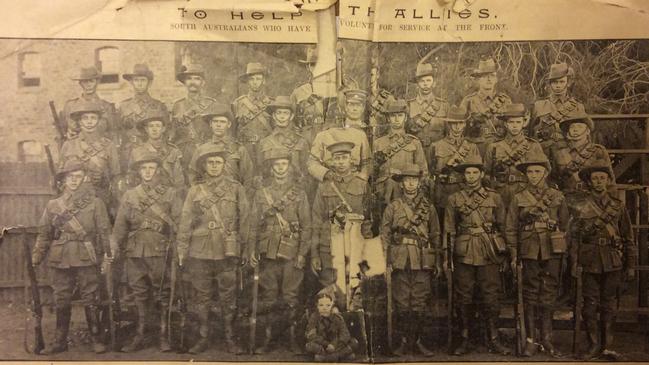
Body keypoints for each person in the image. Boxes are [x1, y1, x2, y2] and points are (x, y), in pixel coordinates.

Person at [176, 144, 250, 354]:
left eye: (218, 162)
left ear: (224, 165)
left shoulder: (236, 188)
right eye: (210, 163)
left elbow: (245, 220)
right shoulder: (195, 191)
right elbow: (185, 221)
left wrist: (244, 248)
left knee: (229, 297)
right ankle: (203, 337)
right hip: (199, 252)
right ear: (204, 166)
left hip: (227, 251)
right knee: (202, 297)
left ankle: (230, 338)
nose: (215, 166)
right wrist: (182, 249)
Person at [31, 159, 111, 354]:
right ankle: (60, 341)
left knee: (90, 297)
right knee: (61, 299)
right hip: (59, 258)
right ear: (63, 181)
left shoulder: (95, 203)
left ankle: (95, 338)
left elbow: (104, 232)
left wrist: (107, 257)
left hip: (86, 255)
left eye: (78, 177)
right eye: (70, 177)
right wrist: (36, 257)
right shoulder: (53, 205)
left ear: (84, 179)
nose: (74, 181)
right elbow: (44, 234)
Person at [109, 149, 183, 352]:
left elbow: (179, 223)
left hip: (161, 251)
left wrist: (178, 246)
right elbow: (120, 227)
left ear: (158, 170)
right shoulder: (130, 195)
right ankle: (140, 335)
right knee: (139, 294)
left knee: (162, 294)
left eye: (152, 168)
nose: (148, 172)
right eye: (144, 168)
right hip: (135, 252)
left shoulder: (170, 194)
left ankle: (163, 335)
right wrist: (114, 247)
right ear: (139, 172)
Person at [444, 154, 511, 356]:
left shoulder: (495, 197)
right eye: (467, 172)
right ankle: (465, 338)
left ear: (482, 174)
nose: (471, 176)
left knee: (491, 295)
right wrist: (447, 257)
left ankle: (493, 338)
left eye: (475, 172)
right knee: (464, 295)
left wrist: (507, 254)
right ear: (463, 175)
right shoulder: (454, 198)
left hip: (489, 251)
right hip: (463, 252)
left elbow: (504, 227)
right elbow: (449, 230)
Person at [569, 163, 637, 360]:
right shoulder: (580, 205)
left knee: (609, 304)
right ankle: (593, 345)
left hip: (612, 260)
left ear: (608, 181)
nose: (599, 181)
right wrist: (574, 262)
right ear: (589, 182)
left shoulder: (618, 206)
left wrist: (630, 265)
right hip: (588, 261)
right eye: (595, 178)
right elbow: (574, 238)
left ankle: (607, 346)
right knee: (589, 305)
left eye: (602, 178)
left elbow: (628, 238)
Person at [505, 154, 569, 357]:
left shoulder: (557, 197)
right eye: (530, 172)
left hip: (552, 249)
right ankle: (531, 339)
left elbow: (566, 226)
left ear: (546, 173)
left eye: (537, 171)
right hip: (529, 250)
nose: (533, 175)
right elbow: (510, 228)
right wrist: (514, 255)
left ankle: (547, 339)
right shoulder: (518, 198)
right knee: (530, 294)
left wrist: (564, 251)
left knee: (549, 294)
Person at [248, 148, 312, 354]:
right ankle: (268, 339)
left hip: (291, 253)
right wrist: (251, 250)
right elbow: (253, 225)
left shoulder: (299, 194)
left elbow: (307, 226)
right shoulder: (261, 194)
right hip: (267, 253)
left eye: (284, 164)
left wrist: (302, 253)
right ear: (271, 168)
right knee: (269, 298)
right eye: (276, 165)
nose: (280, 168)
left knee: (291, 298)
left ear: (289, 167)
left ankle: (292, 340)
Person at [380, 164, 440, 356]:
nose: (410, 183)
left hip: (422, 259)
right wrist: (385, 261)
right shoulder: (393, 207)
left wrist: (437, 260)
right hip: (400, 260)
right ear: (402, 183)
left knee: (419, 302)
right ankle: (405, 341)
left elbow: (435, 234)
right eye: (407, 180)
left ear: (419, 182)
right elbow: (385, 235)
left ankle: (418, 341)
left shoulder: (428, 207)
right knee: (402, 302)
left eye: (414, 180)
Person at [311, 141, 372, 311]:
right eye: (336, 159)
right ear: (331, 162)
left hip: (355, 245)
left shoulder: (362, 185)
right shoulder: (324, 187)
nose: (340, 162)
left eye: (344, 158)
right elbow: (316, 221)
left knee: (355, 290)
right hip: (329, 247)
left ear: (351, 160)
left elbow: (368, 219)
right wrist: (315, 253)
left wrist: (367, 250)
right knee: (330, 290)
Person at [59, 100, 121, 212]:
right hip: (74, 200)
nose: (89, 122)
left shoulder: (108, 146)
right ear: (79, 121)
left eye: (93, 118)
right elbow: (61, 175)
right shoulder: (68, 145)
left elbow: (115, 176)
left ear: (98, 121)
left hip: (100, 197)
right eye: (85, 118)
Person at [484, 103, 546, 206]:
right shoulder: (494, 147)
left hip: (525, 192)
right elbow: (486, 174)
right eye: (511, 122)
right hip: (500, 192)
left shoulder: (533, 146)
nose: (515, 125)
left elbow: (543, 173)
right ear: (505, 124)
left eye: (518, 122)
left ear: (524, 123)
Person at [429, 106, 481, 229]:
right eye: (454, 123)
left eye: (461, 123)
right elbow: (430, 174)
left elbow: (478, 173)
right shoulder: (436, 146)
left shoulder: (471, 147)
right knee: (444, 229)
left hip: (466, 192)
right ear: (449, 125)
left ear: (465, 125)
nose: (457, 127)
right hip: (444, 193)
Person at [307, 91, 372, 183]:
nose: (336, 117)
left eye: (358, 105)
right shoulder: (322, 135)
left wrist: (361, 178)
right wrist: (325, 173)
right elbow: (312, 163)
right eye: (332, 113)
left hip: (354, 180)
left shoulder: (360, 135)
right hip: (330, 181)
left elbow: (367, 162)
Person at [373, 99, 428, 206]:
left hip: (407, 192)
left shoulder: (414, 142)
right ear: (388, 119)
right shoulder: (378, 143)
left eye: (400, 115)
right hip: (384, 193)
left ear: (406, 118)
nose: (397, 119)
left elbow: (423, 171)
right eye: (393, 116)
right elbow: (372, 173)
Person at [549, 112, 613, 199]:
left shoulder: (598, 151)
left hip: (592, 199)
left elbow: (610, 181)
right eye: (572, 127)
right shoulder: (559, 153)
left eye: (579, 126)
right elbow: (553, 180)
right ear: (568, 132)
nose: (575, 129)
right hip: (567, 200)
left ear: (587, 131)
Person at [188, 104, 254, 188]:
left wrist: (240, 196)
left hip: (233, 197)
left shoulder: (239, 149)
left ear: (229, 124)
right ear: (210, 124)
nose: (218, 125)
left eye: (222, 122)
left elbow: (248, 178)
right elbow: (193, 176)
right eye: (215, 121)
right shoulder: (201, 149)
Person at [117, 64, 169, 171]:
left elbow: (166, 132)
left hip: (152, 151)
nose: (139, 84)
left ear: (149, 83)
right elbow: (116, 131)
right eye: (136, 80)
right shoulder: (123, 106)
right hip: (130, 151)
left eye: (143, 80)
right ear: (131, 82)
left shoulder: (159, 106)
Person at [459, 57, 512, 156]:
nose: (488, 79)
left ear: (496, 79)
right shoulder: (468, 101)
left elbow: (513, 127)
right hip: (476, 150)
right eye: (484, 76)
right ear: (478, 80)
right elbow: (459, 129)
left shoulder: (505, 100)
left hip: (500, 150)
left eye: (492, 76)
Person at [531, 62, 586, 155]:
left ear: (568, 83)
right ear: (550, 84)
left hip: (568, 154)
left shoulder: (577, 106)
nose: (558, 85)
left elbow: (585, 135)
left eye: (562, 82)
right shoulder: (538, 105)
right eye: (555, 82)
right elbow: (530, 133)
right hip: (544, 154)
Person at [171, 63, 216, 172]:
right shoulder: (177, 105)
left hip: (206, 151)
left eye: (197, 79)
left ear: (203, 83)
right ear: (185, 82)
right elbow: (172, 134)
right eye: (189, 79)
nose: (192, 82)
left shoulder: (211, 104)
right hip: (184, 153)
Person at [129, 110, 185, 193]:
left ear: (163, 129)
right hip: (144, 198)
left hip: (168, 196)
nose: (154, 129)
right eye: (151, 126)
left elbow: (179, 181)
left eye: (158, 126)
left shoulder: (173, 151)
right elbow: (132, 179)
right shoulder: (136, 152)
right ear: (146, 129)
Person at [258, 96, 310, 180]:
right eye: (279, 113)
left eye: (286, 113)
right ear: (274, 116)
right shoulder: (264, 142)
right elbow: (260, 172)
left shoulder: (301, 142)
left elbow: (306, 173)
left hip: (295, 189)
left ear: (292, 116)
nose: (282, 117)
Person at [233, 62, 274, 167]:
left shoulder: (272, 103)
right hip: (245, 150)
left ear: (264, 81)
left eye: (258, 79)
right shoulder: (237, 103)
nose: (255, 82)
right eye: (252, 79)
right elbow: (233, 131)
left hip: (266, 150)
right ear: (247, 81)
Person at [61, 66, 117, 141]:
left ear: (97, 82)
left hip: (99, 150)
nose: (88, 84)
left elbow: (112, 132)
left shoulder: (106, 106)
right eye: (85, 81)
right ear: (80, 83)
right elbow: (61, 131)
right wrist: (67, 134)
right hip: (76, 148)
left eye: (91, 81)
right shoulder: (70, 106)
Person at [406, 63, 449, 149]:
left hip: (439, 151)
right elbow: (405, 133)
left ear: (434, 83)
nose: (425, 84)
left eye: (428, 80)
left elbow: (449, 133)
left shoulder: (444, 105)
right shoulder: (409, 105)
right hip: (416, 150)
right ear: (417, 84)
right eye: (422, 81)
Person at [305, 292, 357, 362]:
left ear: (332, 306)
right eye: (321, 305)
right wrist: (327, 345)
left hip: (336, 345)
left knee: (354, 342)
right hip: (322, 346)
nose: (324, 308)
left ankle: (330, 357)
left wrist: (334, 345)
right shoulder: (314, 317)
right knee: (309, 346)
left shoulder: (337, 318)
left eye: (328, 305)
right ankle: (341, 356)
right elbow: (312, 335)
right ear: (317, 306)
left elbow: (345, 334)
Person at [290, 48, 326, 145]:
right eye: (313, 65)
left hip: (327, 139)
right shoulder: (298, 92)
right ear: (308, 67)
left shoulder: (334, 90)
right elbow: (291, 121)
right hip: (306, 139)